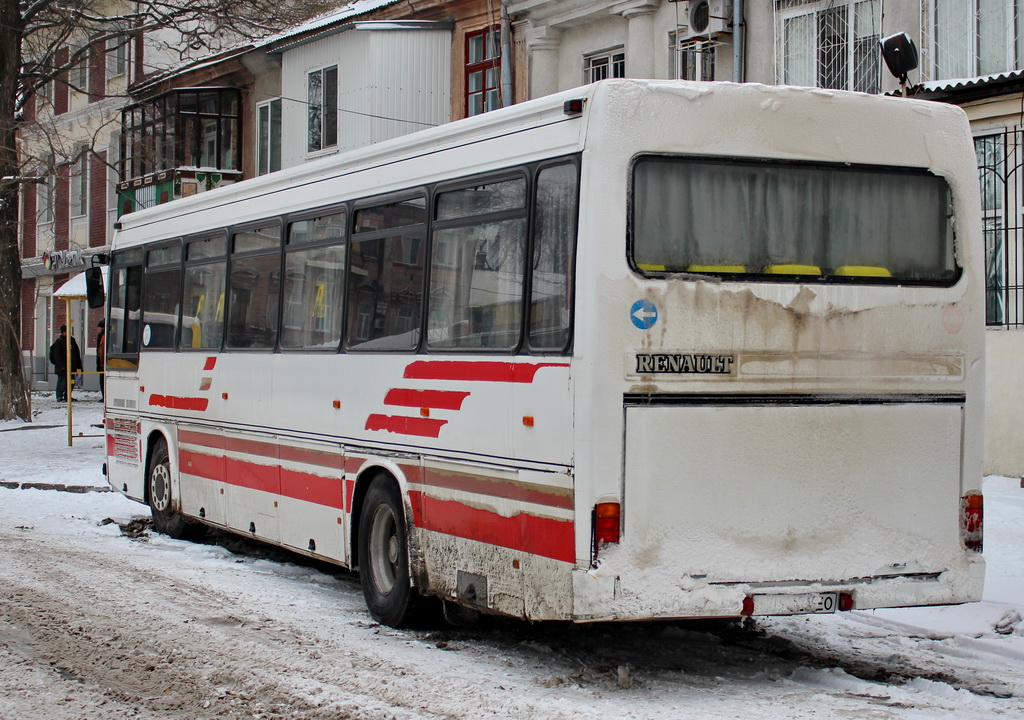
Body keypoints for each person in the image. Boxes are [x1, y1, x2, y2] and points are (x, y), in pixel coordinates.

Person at [48, 325, 83, 402]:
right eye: (67, 331)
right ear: (63, 332)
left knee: (71, 382)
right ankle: (59, 396)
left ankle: (67, 396)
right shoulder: (59, 342)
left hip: (71, 366)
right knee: (62, 381)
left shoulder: (72, 341)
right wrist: (62, 366)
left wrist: (78, 366)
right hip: (62, 368)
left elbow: (76, 354)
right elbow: (57, 356)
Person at [96, 319, 105, 400]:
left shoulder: (103, 337)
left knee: (103, 381)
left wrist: (101, 363)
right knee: (102, 381)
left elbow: (101, 351)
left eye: (99, 327)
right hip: (102, 363)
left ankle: (104, 396)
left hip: (103, 363)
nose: (97, 329)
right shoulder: (101, 336)